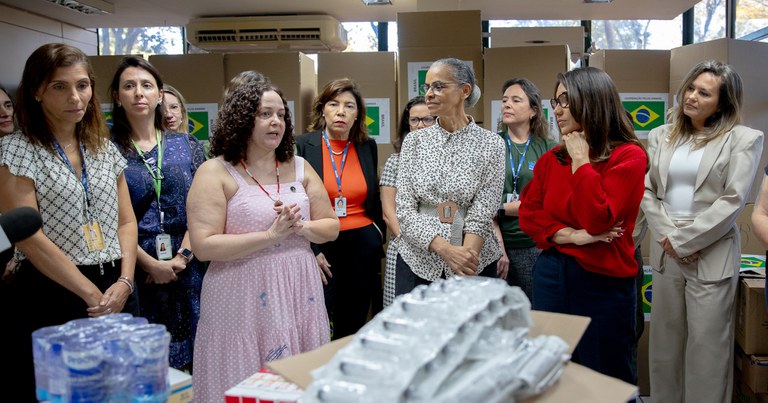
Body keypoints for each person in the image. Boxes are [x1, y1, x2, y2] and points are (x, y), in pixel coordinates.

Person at [0, 43, 138, 400]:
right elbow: (29, 237)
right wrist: (91, 294)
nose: (75, 97)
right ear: (36, 91)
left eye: (82, 85)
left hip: (114, 286)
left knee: (118, 390)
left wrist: (125, 281)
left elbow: (126, 222)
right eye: (60, 86)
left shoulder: (102, 146)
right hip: (53, 290)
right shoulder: (18, 150)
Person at [188, 76, 338, 402]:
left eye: (281, 115)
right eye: (265, 114)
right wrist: (270, 235)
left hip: (298, 287)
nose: (276, 122)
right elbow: (203, 246)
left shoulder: (299, 166)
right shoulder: (215, 172)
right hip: (239, 293)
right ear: (242, 119)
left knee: (297, 370)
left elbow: (331, 226)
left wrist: (302, 228)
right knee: (242, 372)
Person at [643, 60, 763, 403]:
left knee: (707, 350)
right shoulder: (660, 135)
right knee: (664, 346)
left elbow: (733, 200)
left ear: (723, 103)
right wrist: (672, 240)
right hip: (668, 250)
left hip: (711, 253)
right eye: (691, 88)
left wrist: (684, 241)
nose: (691, 97)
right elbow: (648, 192)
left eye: (704, 92)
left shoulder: (743, 139)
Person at [518, 66, 647, 384]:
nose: (557, 109)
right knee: (555, 373)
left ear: (591, 100)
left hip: (603, 281)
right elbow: (529, 215)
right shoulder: (552, 159)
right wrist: (573, 236)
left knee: (605, 375)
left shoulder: (628, 156)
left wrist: (581, 161)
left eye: (565, 99)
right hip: (551, 274)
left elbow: (599, 218)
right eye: (555, 101)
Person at [109, 56, 207, 371]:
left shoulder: (186, 143)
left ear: (160, 95)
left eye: (146, 85)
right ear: (117, 97)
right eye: (129, 86)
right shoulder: (105, 149)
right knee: (144, 359)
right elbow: (109, 217)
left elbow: (204, 206)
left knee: (196, 351)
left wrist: (184, 256)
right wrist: (151, 263)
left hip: (188, 260)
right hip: (135, 263)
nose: (139, 93)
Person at [395, 58, 505, 296]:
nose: (429, 94)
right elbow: (404, 210)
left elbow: (484, 209)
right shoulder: (414, 142)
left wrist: (465, 259)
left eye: (438, 87)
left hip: (474, 260)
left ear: (465, 91)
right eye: (426, 88)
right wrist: (446, 250)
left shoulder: (491, 144)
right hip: (419, 261)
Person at [295, 78, 385, 339]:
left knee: (354, 319)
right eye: (333, 104)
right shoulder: (303, 145)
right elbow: (296, 200)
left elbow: (374, 197)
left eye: (349, 106)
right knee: (319, 316)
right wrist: (312, 248)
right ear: (322, 109)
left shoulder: (366, 146)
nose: (341, 112)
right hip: (322, 243)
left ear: (358, 114)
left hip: (362, 244)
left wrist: (377, 233)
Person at [492, 78, 557, 300]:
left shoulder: (549, 149)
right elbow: (481, 202)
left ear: (533, 111)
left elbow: (546, 202)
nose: (506, 105)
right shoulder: (490, 146)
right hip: (494, 244)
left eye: (516, 100)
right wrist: (499, 249)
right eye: (504, 100)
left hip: (534, 246)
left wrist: (500, 207)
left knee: (534, 316)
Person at [380, 95, 435, 307]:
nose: (420, 126)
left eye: (427, 119)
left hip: (439, 249)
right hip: (405, 247)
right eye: (414, 120)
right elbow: (388, 211)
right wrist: (411, 241)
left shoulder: (448, 161)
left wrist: (435, 243)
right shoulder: (395, 161)